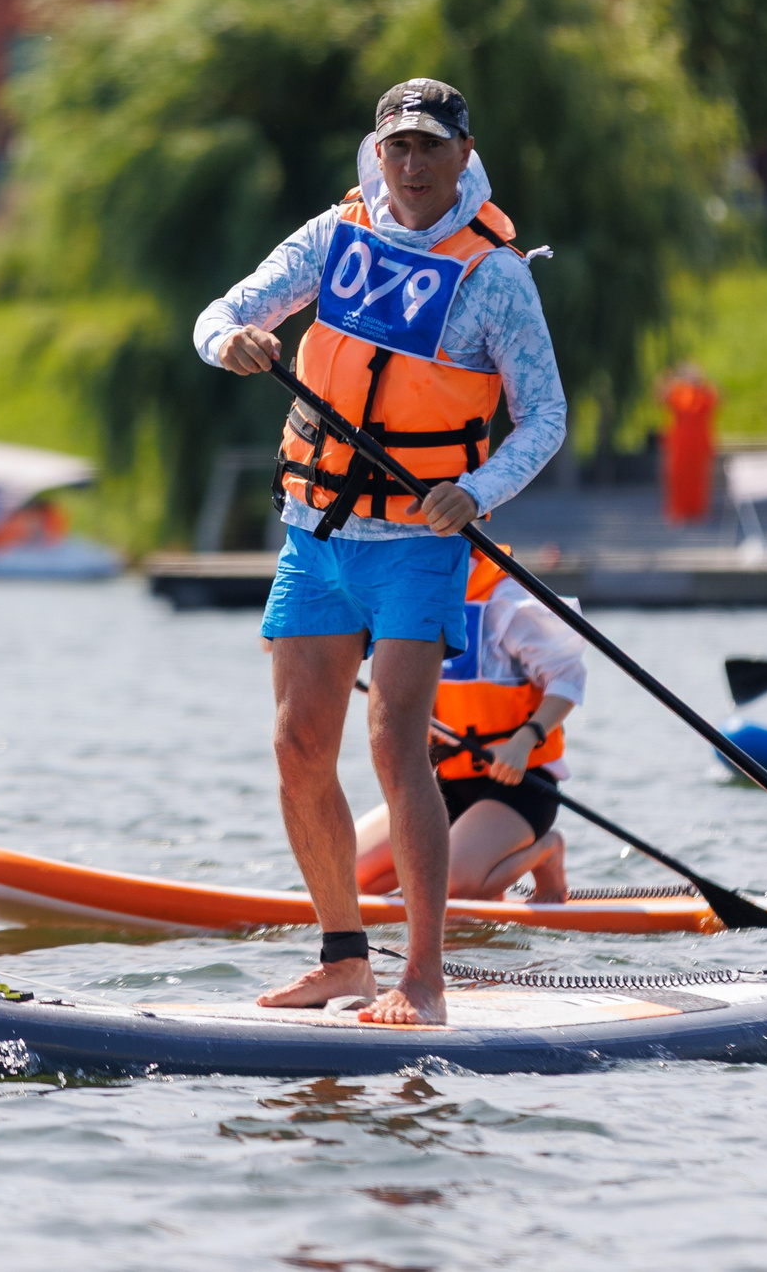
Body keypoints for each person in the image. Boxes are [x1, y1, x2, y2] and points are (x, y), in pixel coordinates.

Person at [197, 78, 566, 1027]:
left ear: (462, 154)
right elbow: (221, 312)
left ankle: (426, 980)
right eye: (397, 146)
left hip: (415, 540)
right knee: (296, 747)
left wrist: (476, 490)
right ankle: (344, 957)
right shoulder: (334, 235)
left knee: (397, 744)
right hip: (316, 532)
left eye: (430, 148)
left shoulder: (494, 274)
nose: (411, 165)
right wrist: (233, 339)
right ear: (378, 149)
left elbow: (546, 418)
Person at [353, 553, 585, 905]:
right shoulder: (408, 591)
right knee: (353, 871)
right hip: (446, 784)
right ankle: (481, 870)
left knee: (450, 884)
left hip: (522, 784)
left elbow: (567, 678)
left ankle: (545, 852)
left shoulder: (507, 600)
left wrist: (524, 741)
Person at [657, 363, 719, 526]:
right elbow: (661, 397)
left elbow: (717, 399)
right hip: (680, 442)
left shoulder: (703, 393)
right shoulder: (678, 391)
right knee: (677, 476)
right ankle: (678, 510)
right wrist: (671, 378)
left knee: (699, 477)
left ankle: (697, 510)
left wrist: (702, 382)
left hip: (698, 441)